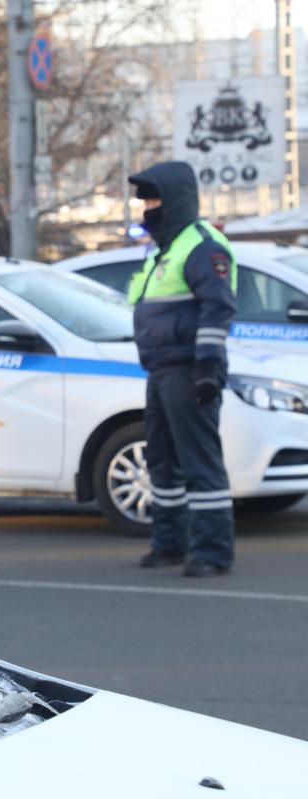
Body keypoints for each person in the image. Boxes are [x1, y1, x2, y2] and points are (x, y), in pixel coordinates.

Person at [126, 160, 237, 577]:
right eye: (146, 199)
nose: (148, 207)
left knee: (198, 461)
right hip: (161, 371)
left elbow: (217, 307)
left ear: (174, 200)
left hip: (191, 370)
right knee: (162, 460)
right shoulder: (166, 251)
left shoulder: (202, 246)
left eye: (154, 198)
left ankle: (212, 552)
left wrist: (207, 367)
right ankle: (169, 543)